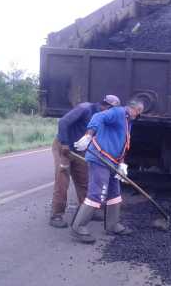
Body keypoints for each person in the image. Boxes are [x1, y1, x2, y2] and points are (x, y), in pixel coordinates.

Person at [70, 100, 145, 244]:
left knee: (115, 194)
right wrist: (89, 135)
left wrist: (122, 163)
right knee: (97, 193)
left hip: (113, 162)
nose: (138, 116)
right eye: (139, 112)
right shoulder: (118, 112)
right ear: (134, 109)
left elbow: (123, 143)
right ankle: (78, 227)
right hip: (100, 159)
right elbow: (98, 117)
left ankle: (112, 225)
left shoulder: (128, 122)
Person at [49, 95, 121, 228]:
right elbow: (63, 122)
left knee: (84, 180)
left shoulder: (103, 117)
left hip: (80, 150)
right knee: (62, 180)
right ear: (107, 106)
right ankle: (56, 215)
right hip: (63, 147)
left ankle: (87, 212)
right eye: (113, 110)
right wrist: (65, 144)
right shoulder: (84, 108)